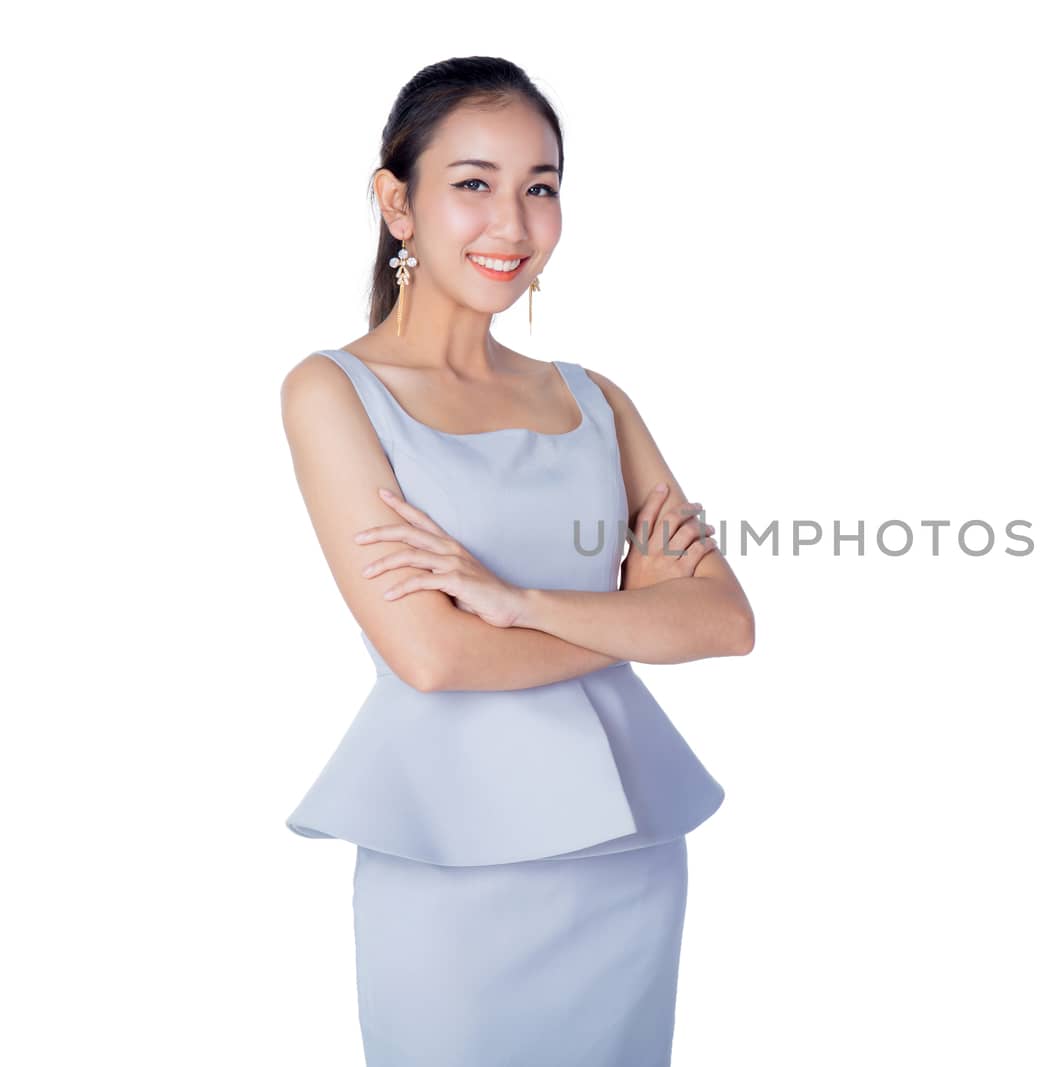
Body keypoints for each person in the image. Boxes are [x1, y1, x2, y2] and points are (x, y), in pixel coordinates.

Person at [279, 56, 753, 1066]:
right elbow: (433, 657)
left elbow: (723, 621)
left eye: (540, 187)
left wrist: (513, 599)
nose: (513, 222)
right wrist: (622, 611)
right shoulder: (331, 391)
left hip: (626, 859)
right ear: (396, 203)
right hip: (450, 867)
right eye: (474, 184)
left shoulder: (593, 399)